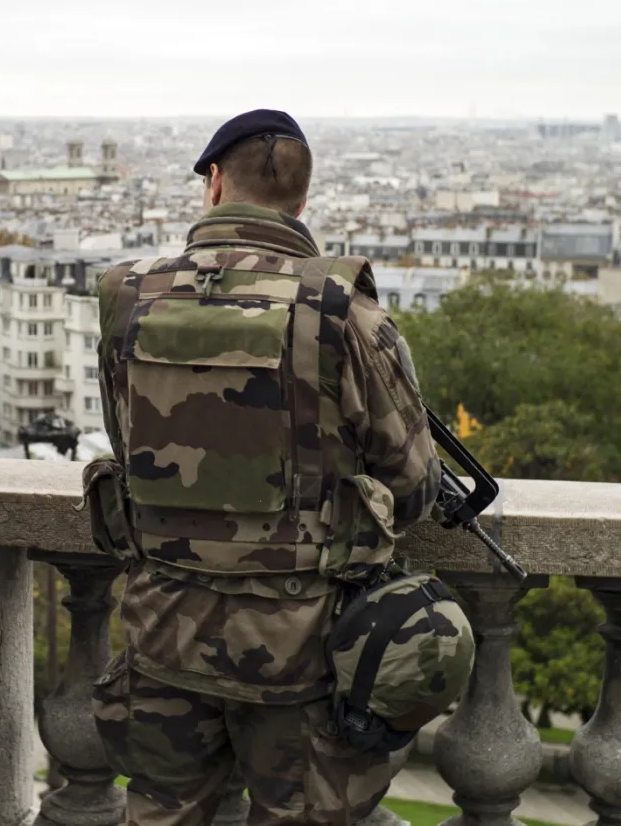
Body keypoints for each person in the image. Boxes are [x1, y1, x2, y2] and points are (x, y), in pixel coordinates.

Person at [86, 110, 473, 825]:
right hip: (299, 651)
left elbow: (127, 441)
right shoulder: (344, 314)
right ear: (301, 202)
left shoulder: (128, 298)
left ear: (212, 184)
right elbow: (415, 488)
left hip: (163, 630)